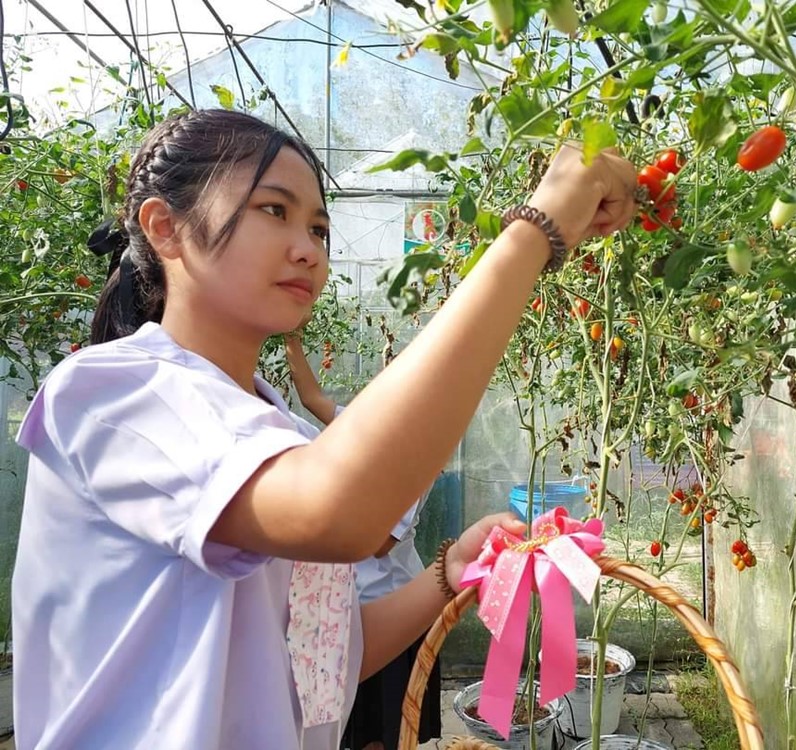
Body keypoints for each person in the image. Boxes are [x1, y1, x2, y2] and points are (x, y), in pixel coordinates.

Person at [12, 108, 636, 750]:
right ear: (166, 228)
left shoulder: (270, 426)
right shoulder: (114, 393)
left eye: (319, 227)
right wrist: (532, 233)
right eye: (274, 211)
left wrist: (449, 572)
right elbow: (337, 512)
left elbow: (322, 663)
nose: (308, 248)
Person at [283, 328, 442, 749]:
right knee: (358, 727)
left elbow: (376, 542)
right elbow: (313, 398)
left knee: (386, 731)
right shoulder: (369, 433)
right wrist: (293, 339)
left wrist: (318, 505)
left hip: (394, 610)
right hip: (358, 607)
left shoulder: (414, 461)